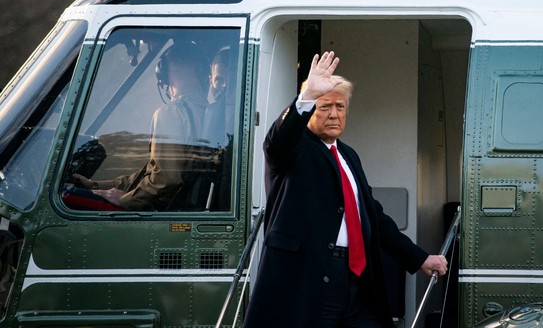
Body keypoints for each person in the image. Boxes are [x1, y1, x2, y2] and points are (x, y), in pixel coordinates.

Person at [243, 51, 448, 328]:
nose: (333, 114)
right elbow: (277, 142)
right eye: (324, 106)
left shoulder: (348, 155)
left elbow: (374, 218)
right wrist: (306, 98)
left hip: (357, 281)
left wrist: (420, 258)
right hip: (309, 280)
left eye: (340, 107)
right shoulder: (294, 147)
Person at [73, 42, 207, 211]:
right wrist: (95, 185)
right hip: (180, 206)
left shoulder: (170, 113)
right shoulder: (207, 111)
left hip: (161, 210)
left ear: (163, 72)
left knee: (68, 197)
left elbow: (166, 178)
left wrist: (126, 200)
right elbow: (152, 172)